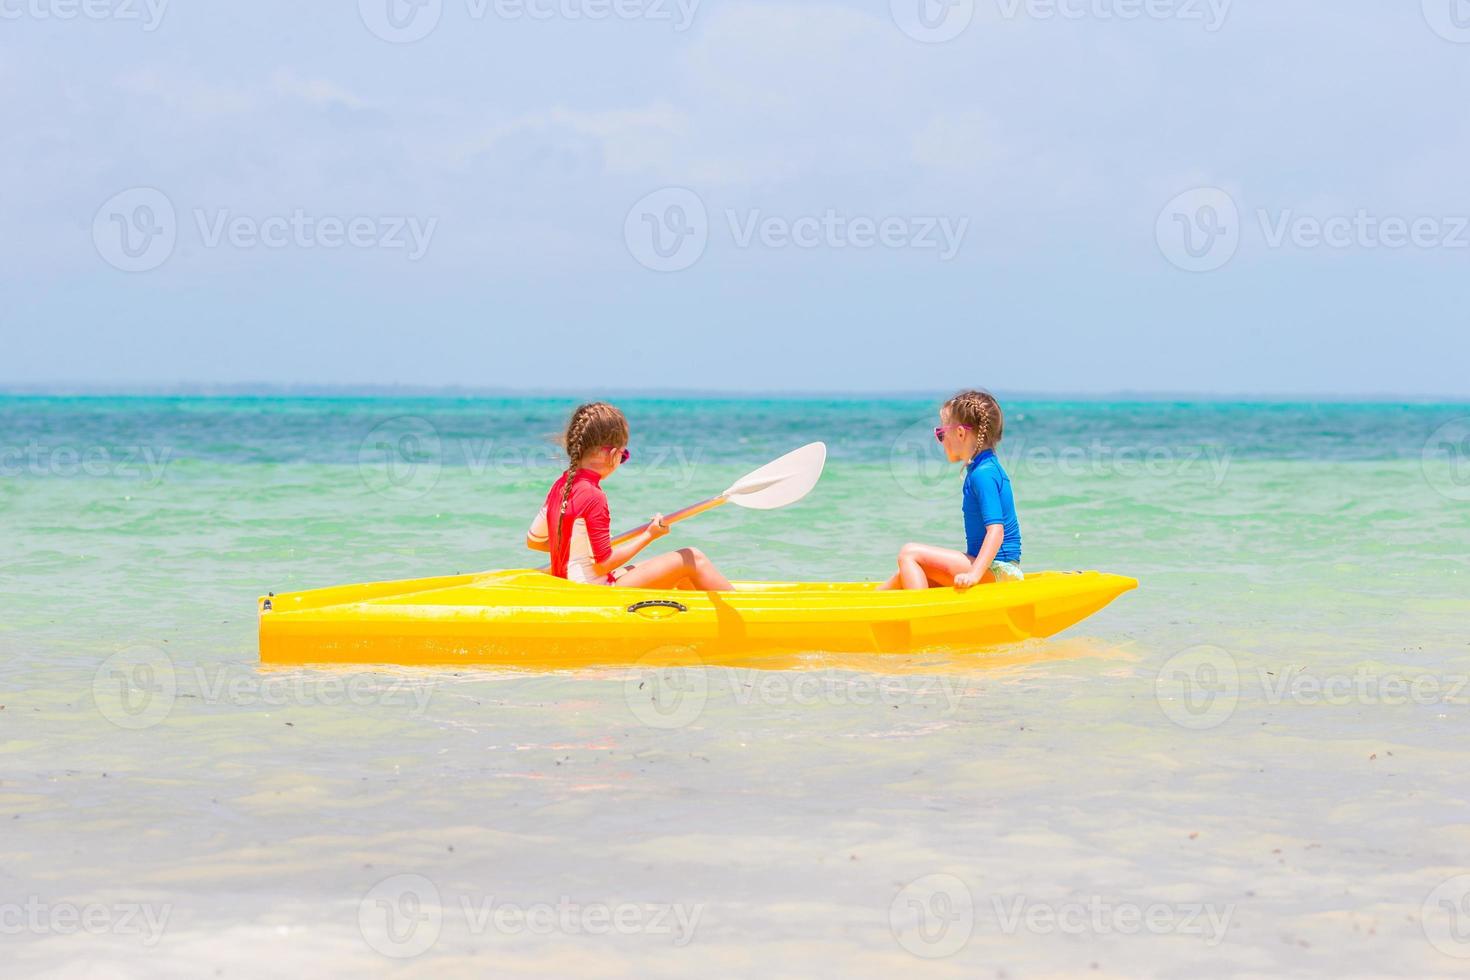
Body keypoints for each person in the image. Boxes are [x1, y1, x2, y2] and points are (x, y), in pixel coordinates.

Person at [526, 401, 734, 590]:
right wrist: (649, 535)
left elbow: (534, 541)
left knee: (680, 574)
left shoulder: (561, 485)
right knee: (691, 558)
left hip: (574, 584)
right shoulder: (593, 496)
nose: (621, 461)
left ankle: (697, 627)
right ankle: (745, 618)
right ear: (612, 454)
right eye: (624, 456)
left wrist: (574, 553)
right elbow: (602, 566)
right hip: (595, 589)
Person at [879, 389, 1023, 590]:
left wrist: (974, 574)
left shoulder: (983, 474)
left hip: (998, 572)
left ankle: (923, 617)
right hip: (992, 568)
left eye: (941, 434)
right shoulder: (984, 468)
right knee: (902, 576)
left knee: (909, 554)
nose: (941, 440)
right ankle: (866, 609)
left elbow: (996, 532)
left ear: (961, 433)